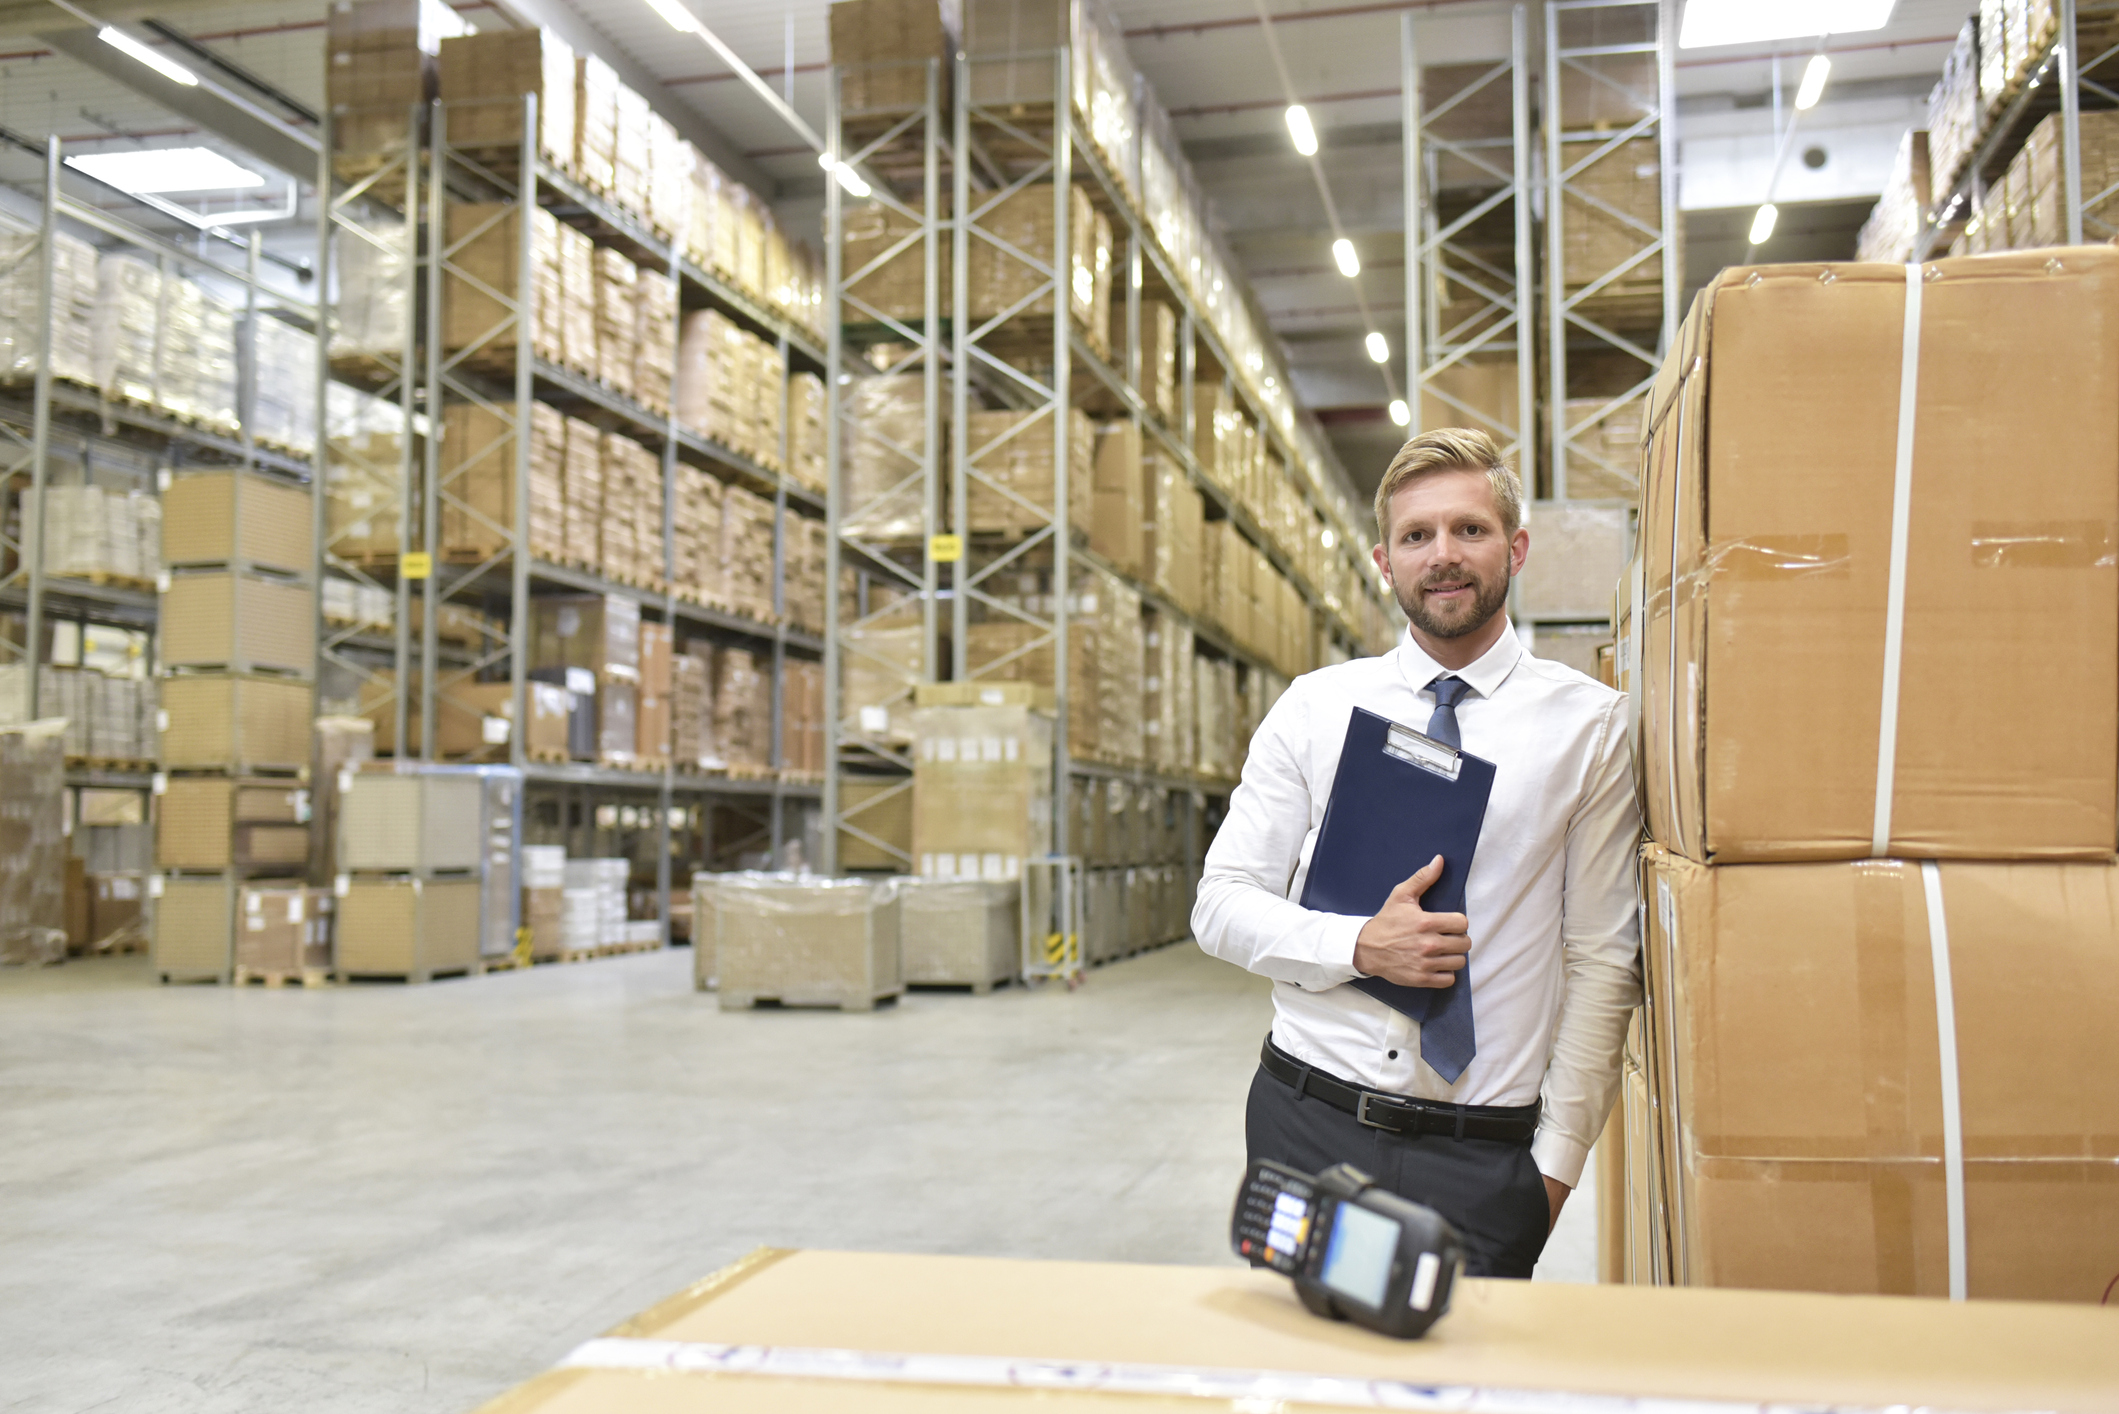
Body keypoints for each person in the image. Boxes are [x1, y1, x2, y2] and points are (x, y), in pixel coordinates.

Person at [1192, 428, 1640, 1278]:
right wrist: (1356, 944)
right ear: (1383, 560)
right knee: (1310, 1388)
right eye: (1416, 535)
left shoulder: (1588, 726)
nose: (1443, 556)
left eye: (1469, 530)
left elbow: (1601, 957)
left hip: (1482, 1154)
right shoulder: (1314, 708)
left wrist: (1553, 1170)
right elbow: (1221, 903)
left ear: (1515, 548)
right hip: (1304, 1121)